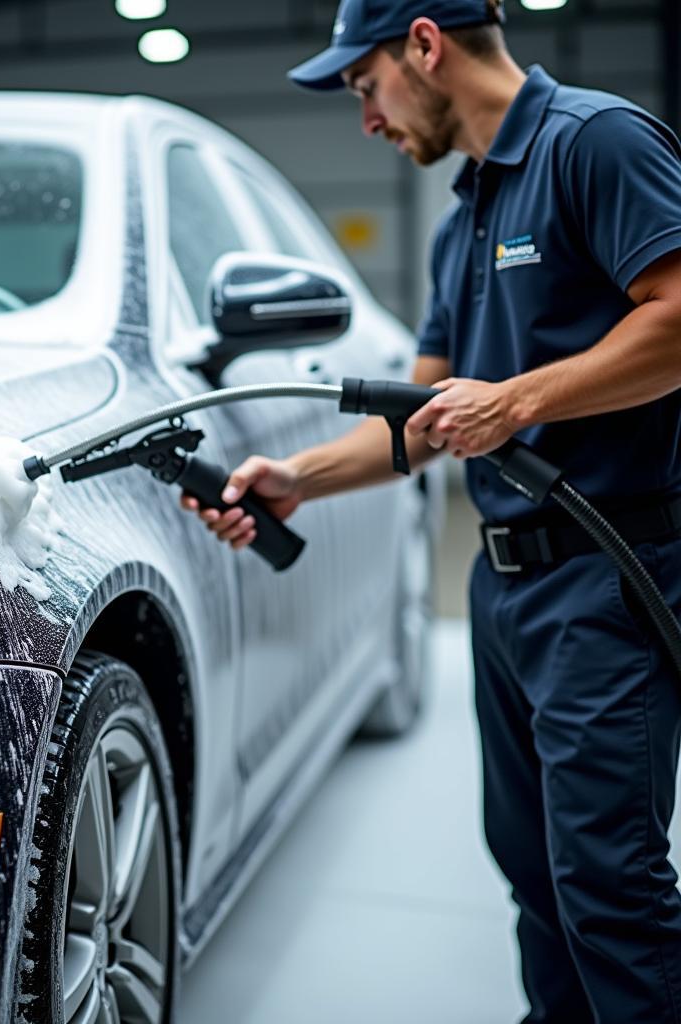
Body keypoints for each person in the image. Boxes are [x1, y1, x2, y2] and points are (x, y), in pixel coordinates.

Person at [182, 0, 681, 1020]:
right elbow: (420, 418)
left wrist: (518, 400)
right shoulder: (465, 221)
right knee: (536, 876)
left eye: (365, 86)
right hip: (500, 591)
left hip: (606, 576)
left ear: (423, 43)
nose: (365, 119)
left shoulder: (594, 144)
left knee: (608, 888)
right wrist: (299, 477)